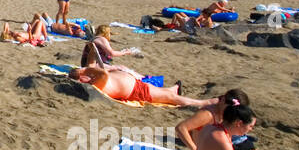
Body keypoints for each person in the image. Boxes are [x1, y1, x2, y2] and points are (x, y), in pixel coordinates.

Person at [71, 66, 205, 107]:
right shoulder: (95, 83)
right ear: (82, 78)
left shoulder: (94, 80)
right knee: (169, 97)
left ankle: (174, 88)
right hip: (137, 91)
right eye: (83, 72)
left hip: (137, 85)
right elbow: (104, 73)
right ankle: (202, 103)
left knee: (163, 92)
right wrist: (88, 69)